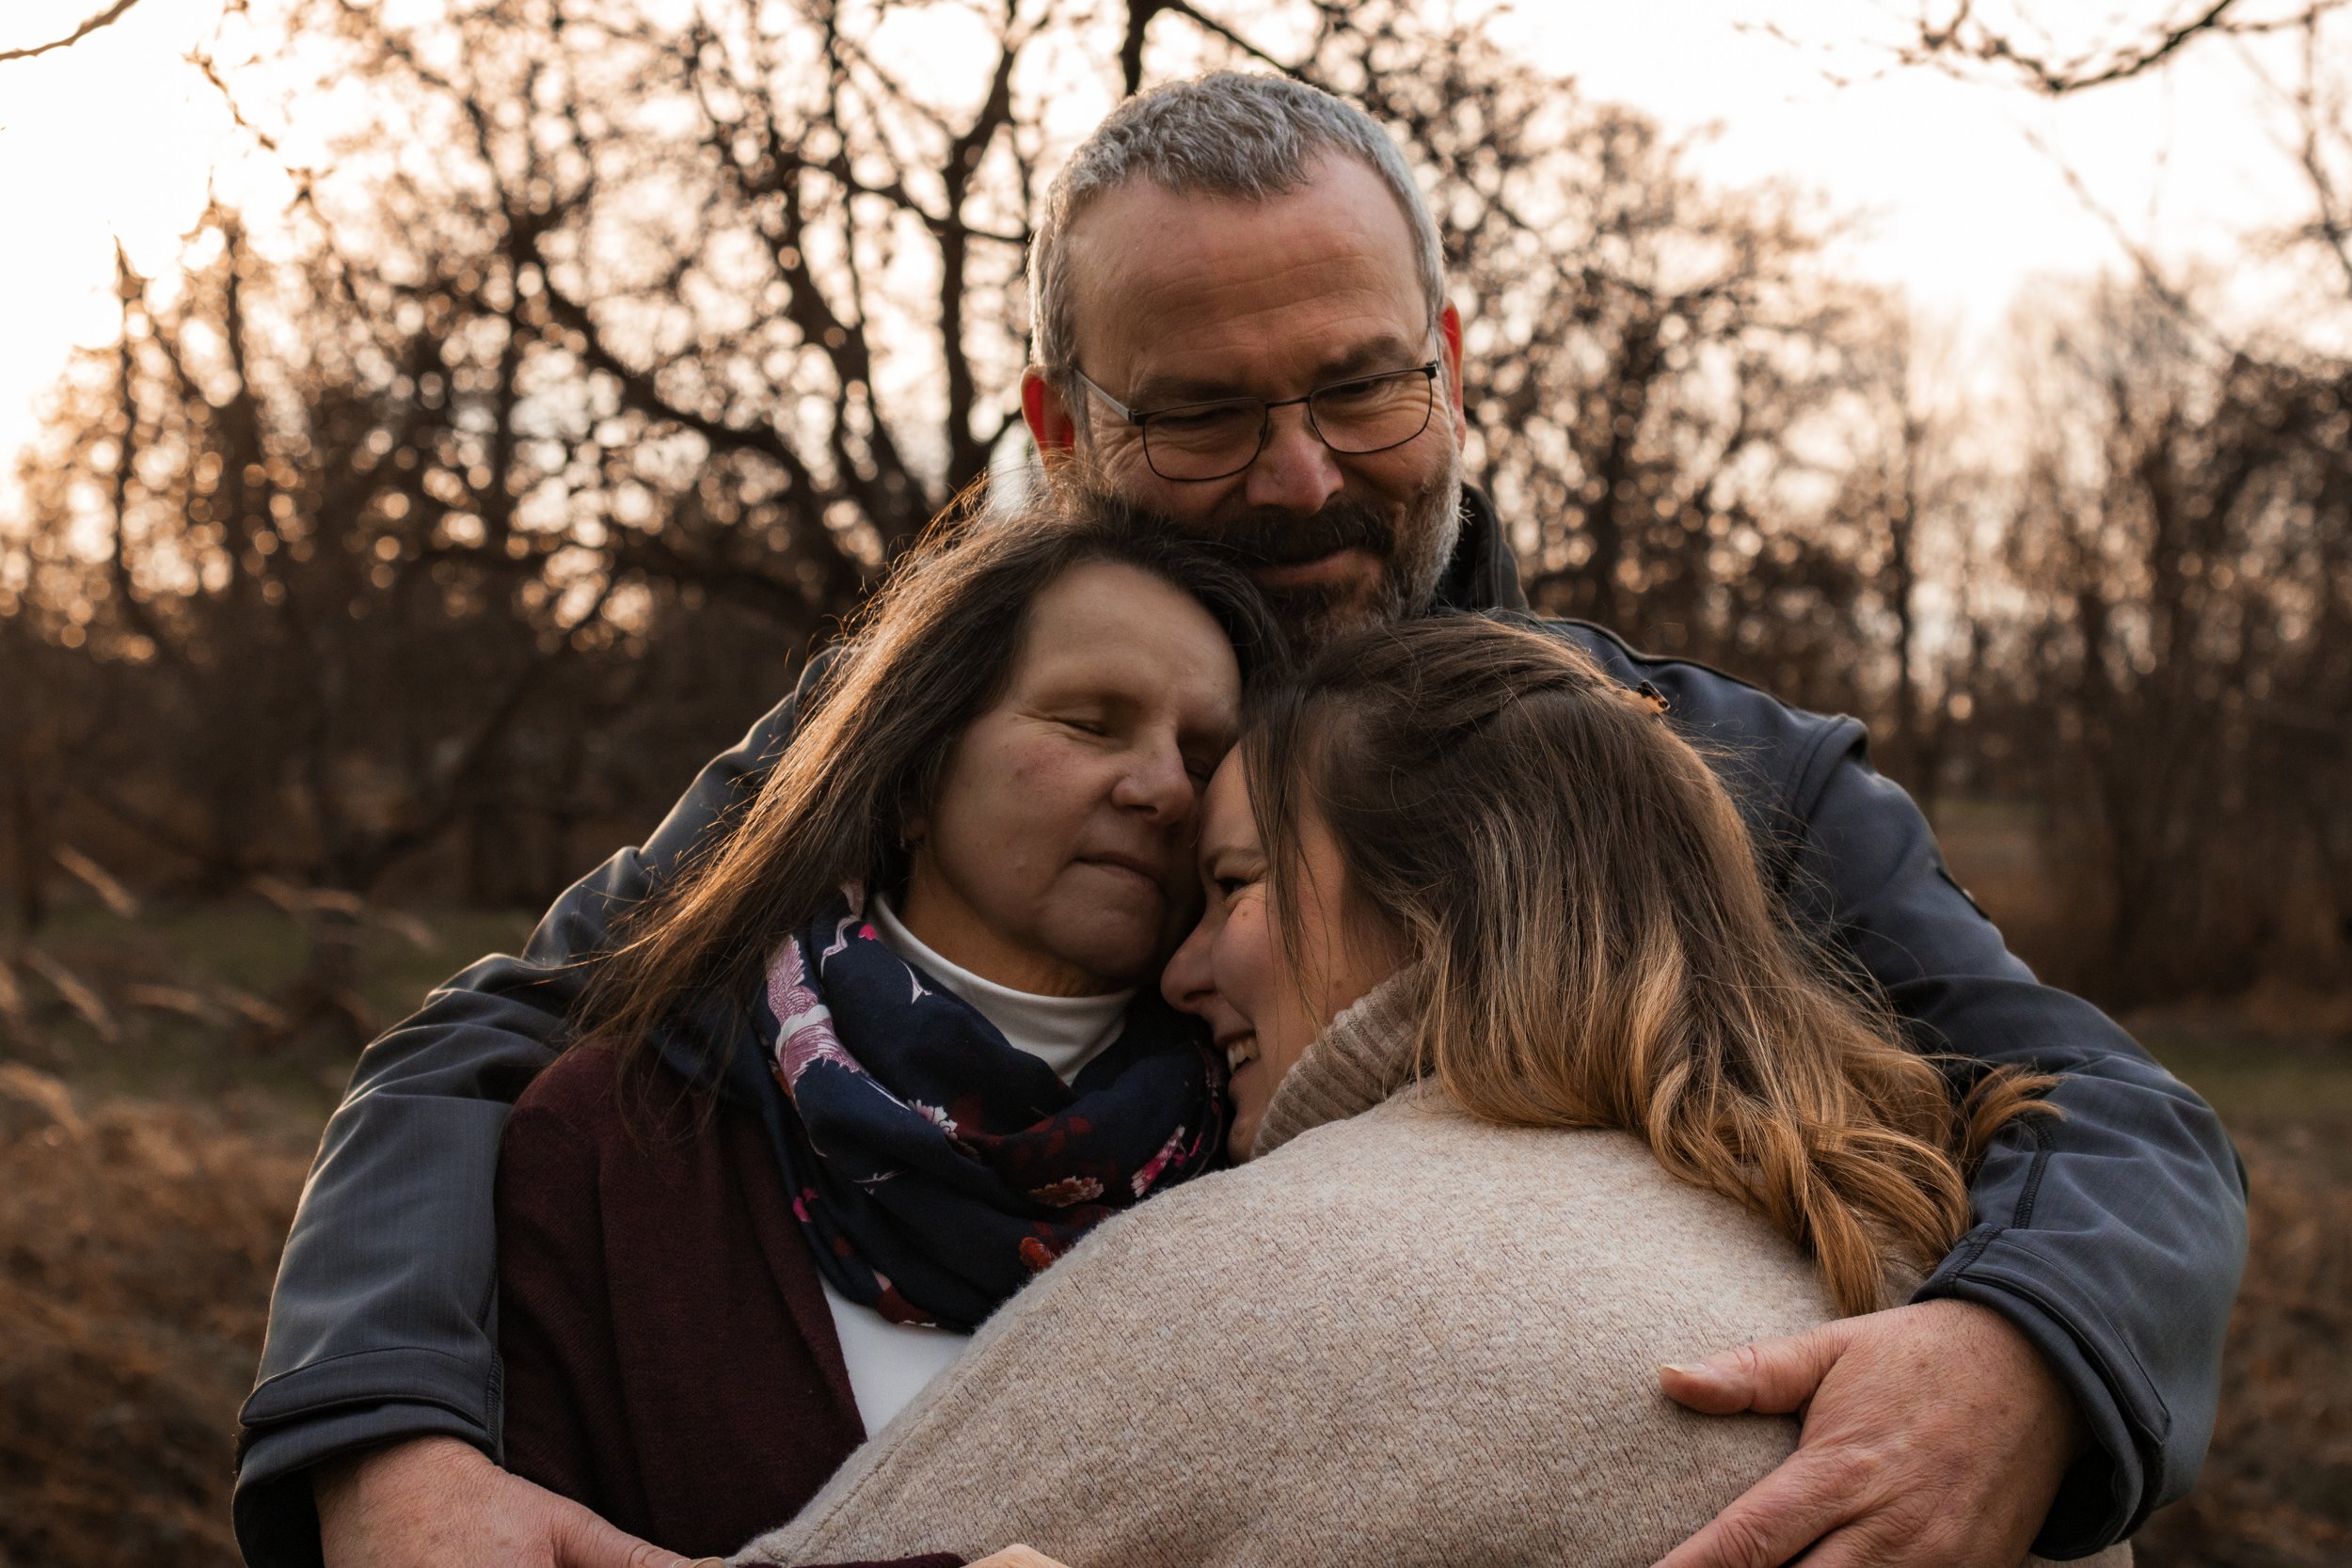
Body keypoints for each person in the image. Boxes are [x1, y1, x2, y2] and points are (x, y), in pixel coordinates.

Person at [237, 71, 2245, 1568]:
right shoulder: (914, 740)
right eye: (1196, 412)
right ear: (1059, 430)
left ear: (1450, 370)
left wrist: (2021, 1349)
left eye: (1361, 388)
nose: (1297, 480)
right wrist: (386, 1442)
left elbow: (2107, 1110)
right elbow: (481, 1047)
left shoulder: (1706, 771)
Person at [742, 614, 2128, 1568]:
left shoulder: (1254, 1276)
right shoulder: (1945, 1291)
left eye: (1235, 885)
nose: (1181, 966)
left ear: (1442, 897)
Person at [489, 500, 1276, 1560]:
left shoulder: (1265, 1161)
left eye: (1204, 754)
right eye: (1092, 722)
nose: (1163, 790)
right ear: (915, 770)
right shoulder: (616, 1144)